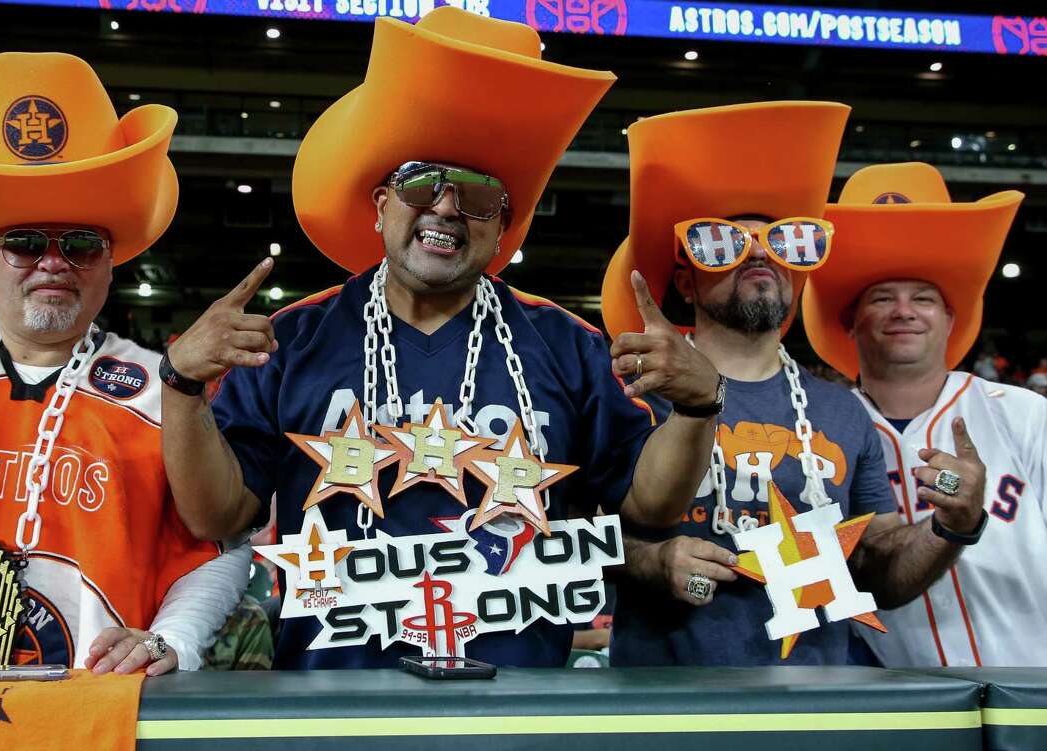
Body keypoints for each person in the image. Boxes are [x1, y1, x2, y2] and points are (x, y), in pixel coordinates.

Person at [160, 7, 721, 670]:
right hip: (332, 704)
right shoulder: (295, 336)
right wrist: (182, 385)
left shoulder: (566, 343)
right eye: (423, 184)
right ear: (380, 206)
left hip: (519, 705)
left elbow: (650, 504)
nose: (448, 207)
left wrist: (698, 406)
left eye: (478, 197)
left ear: (502, 226)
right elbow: (216, 515)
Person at [0, 52, 249, 675]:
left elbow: (220, 545)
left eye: (82, 244)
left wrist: (174, 639)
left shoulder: (154, 392)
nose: (53, 263)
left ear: (111, 264)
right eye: (26, 242)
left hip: (82, 718)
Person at [601, 102, 991, 666]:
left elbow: (877, 568)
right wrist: (651, 563)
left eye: (783, 245)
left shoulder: (843, 412)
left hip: (819, 703)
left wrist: (951, 527)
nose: (760, 254)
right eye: (725, 245)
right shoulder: (632, 392)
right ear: (685, 281)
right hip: (667, 702)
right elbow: (577, 538)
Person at [803, 161, 1042, 667]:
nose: (904, 311)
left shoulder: (1024, 415)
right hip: (902, 703)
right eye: (883, 298)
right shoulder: (821, 435)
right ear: (849, 322)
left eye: (925, 298)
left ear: (950, 318)